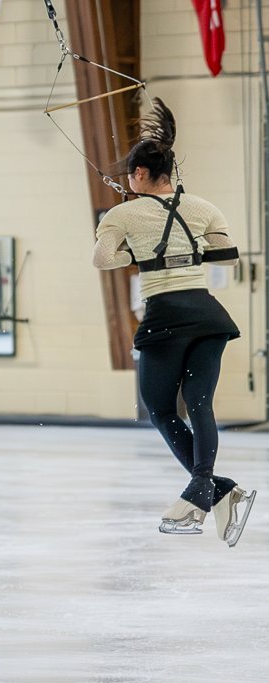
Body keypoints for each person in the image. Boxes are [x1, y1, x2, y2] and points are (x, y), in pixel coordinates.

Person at [93, 98, 255, 547]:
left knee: (161, 409)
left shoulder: (123, 213)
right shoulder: (204, 207)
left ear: (141, 175)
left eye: (130, 174)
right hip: (208, 315)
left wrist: (143, 253)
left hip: (165, 315)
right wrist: (185, 254)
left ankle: (208, 489)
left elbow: (102, 259)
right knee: (199, 402)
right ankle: (216, 491)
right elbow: (227, 256)